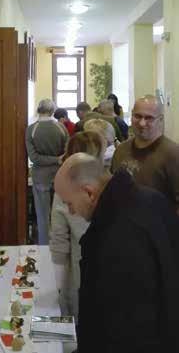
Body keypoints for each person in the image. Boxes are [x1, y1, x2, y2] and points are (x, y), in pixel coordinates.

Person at [55, 153, 179, 353]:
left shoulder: (116, 236)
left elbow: (119, 327)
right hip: (167, 332)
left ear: (89, 193)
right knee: (38, 329)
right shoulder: (151, 198)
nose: (70, 212)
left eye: (69, 203)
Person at [50, 131, 106, 321]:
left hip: (81, 271)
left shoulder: (64, 189)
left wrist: (56, 287)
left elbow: (59, 241)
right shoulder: (108, 183)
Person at [111, 94, 179, 213]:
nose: (142, 123)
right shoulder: (121, 150)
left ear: (161, 120)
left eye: (149, 118)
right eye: (138, 116)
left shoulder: (173, 154)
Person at [25, 99, 68, 244]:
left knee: (42, 215)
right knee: (60, 213)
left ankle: (44, 246)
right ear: (52, 111)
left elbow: (34, 157)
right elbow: (66, 153)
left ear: (38, 109)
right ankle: (60, 244)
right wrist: (57, 160)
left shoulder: (31, 130)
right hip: (60, 175)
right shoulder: (61, 128)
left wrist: (52, 159)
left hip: (40, 176)